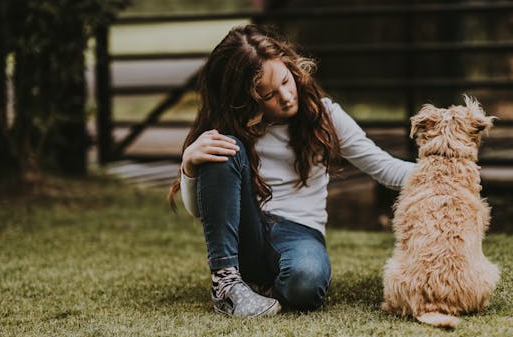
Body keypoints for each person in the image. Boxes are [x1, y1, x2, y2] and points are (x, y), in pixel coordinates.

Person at [168, 24, 416, 317]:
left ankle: (259, 290)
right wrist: (189, 166)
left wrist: (447, 172)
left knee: (306, 284)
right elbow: (201, 212)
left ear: (291, 67)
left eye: (286, 81)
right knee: (222, 146)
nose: (286, 96)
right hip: (248, 230)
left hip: (301, 232)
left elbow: (384, 168)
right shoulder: (228, 131)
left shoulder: (325, 116)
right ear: (246, 100)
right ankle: (226, 285)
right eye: (268, 95)